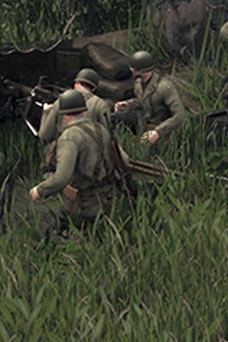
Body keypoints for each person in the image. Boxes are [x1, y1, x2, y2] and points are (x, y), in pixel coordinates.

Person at [29, 89, 119, 232]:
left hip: (84, 205)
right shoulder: (100, 128)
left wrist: (39, 191)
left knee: (53, 232)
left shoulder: (69, 137)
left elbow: (61, 177)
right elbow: (120, 160)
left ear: (64, 114)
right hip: (108, 199)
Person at [113, 50, 185, 145]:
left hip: (161, 129)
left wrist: (158, 132)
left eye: (133, 68)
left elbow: (180, 115)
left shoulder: (164, 88)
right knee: (114, 119)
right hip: (145, 123)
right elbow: (142, 101)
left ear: (142, 70)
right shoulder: (138, 83)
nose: (131, 69)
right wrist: (128, 104)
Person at [38, 67, 111, 144]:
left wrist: (46, 112)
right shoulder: (101, 104)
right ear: (93, 89)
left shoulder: (60, 102)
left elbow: (44, 135)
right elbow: (107, 136)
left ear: (77, 83)